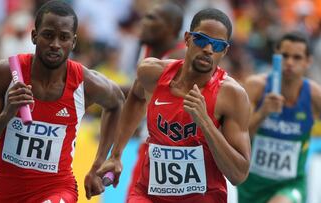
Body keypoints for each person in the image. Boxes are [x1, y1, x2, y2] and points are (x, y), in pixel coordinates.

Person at [0, 1, 124, 202]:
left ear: (73, 42)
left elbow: (117, 102)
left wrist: (102, 162)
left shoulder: (86, 83)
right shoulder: (4, 74)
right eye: (48, 35)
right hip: (5, 192)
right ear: (34, 36)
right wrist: (6, 115)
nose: (55, 44)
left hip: (57, 190)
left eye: (64, 37)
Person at [97, 8, 251, 203]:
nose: (208, 49)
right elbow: (135, 99)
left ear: (225, 51)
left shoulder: (232, 95)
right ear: (187, 38)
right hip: (149, 195)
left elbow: (238, 174)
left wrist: (205, 122)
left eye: (217, 45)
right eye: (202, 40)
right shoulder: (151, 73)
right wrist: (116, 154)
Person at [238, 32, 321, 203]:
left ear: (308, 62)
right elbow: (239, 137)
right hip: (251, 185)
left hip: (291, 185)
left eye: (297, 57)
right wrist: (262, 113)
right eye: (284, 56)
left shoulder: (314, 95)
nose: (289, 63)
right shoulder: (256, 86)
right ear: (275, 56)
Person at [126, 1, 186, 198]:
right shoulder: (147, 51)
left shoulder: (181, 58)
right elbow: (137, 94)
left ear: (172, 28)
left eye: (152, 18)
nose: (143, 22)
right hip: (148, 147)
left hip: (173, 153)